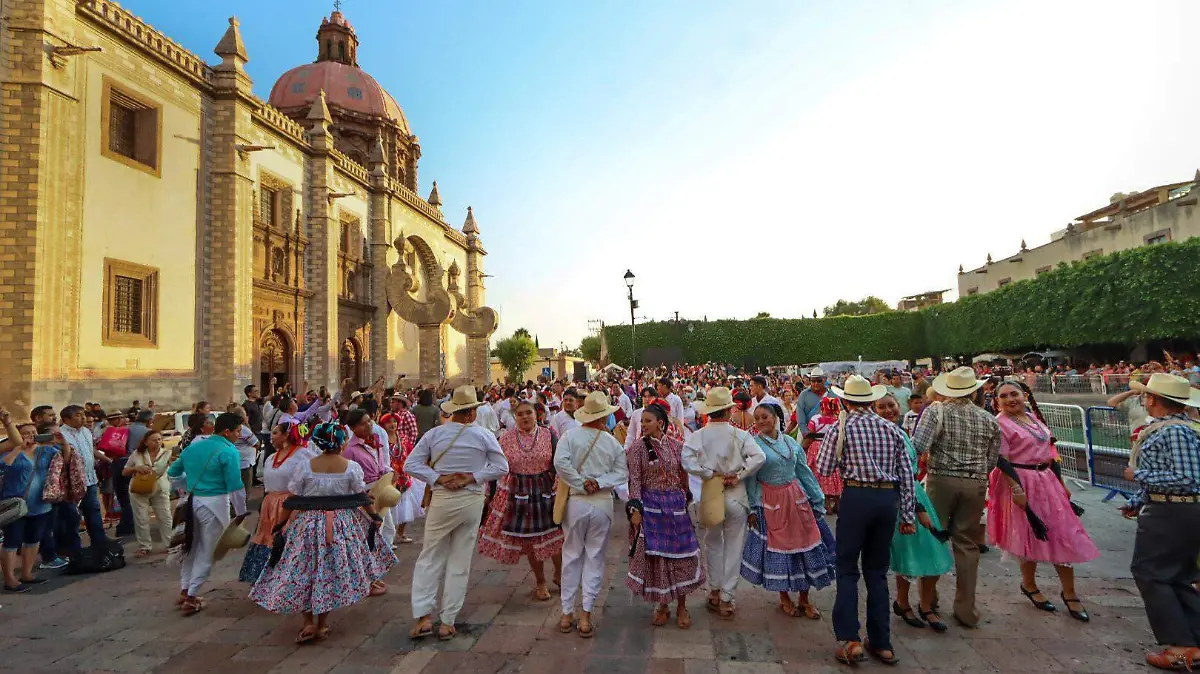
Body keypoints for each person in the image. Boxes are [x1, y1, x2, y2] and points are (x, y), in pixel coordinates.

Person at [249, 422, 395, 644]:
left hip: (307, 524)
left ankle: (308, 622)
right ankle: (322, 623)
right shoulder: (351, 467)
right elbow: (361, 497)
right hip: (341, 525)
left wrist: (279, 525)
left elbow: (293, 499)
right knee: (327, 572)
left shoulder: (306, 467)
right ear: (340, 442)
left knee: (303, 569)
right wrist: (374, 516)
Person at [816, 375, 916, 666]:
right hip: (886, 501)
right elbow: (907, 475)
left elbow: (823, 467)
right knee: (876, 571)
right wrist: (907, 515)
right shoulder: (892, 429)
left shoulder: (841, 428)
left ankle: (850, 639)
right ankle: (882, 642)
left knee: (847, 568)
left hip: (856, 497)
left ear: (845, 401)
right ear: (872, 400)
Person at [405, 386, 509, 641]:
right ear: (472, 412)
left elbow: (411, 464)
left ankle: (422, 616)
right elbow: (501, 466)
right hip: (471, 498)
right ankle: (447, 621)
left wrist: (438, 479)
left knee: (430, 556)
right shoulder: (483, 436)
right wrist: (472, 477)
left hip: (442, 499)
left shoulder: (435, 435)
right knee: (459, 560)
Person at [989, 381, 1098, 620]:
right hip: (1022, 481)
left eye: (1014, 394)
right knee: (1029, 536)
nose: (1010, 399)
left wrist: (1062, 483)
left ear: (1024, 395)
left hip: (1046, 481)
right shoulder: (1000, 424)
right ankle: (1029, 585)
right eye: (1004, 396)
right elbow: (1001, 459)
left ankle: (1069, 592)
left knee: (1063, 534)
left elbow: (1051, 453)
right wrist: (1017, 488)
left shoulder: (1033, 418)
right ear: (997, 401)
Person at [911, 366, 1002, 629]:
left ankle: (930, 599)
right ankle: (965, 609)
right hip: (975, 482)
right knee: (967, 545)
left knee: (933, 538)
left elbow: (918, 447)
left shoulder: (935, 411)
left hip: (941, 479)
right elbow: (992, 460)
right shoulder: (988, 418)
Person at [1121, 374, 1200, 670]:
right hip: (1174, 510)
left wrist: (1137, 476)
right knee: (1176, 576)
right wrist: (1137, 501)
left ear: (1152, 399)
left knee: (1151, 573)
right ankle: (1192, 645)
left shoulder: (1173, 432)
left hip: (1171, 513)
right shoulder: (1176, 429)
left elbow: (1188, 479)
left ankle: (1179, 647)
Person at [741, 403, 835, 620]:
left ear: (775, 418)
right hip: (771, 501)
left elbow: (803, 471)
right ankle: (784, 596)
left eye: (765, 416)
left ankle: (805, 598)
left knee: (806, 547)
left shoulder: (791, 443)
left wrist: (817, 497)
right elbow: (751, 480)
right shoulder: (754, 446)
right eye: (757, 418)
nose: (761, 421)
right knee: (778, 549)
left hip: (796, 498)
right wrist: (754, 507)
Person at [681, 387, 766, 620]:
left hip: (711, 493)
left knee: (713, 542)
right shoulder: (740, 435)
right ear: (728, 410)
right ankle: (727, 597)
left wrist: (708, 473)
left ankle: (715, 590)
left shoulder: (699, 435)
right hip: (735, 494)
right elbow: (759, 457)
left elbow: (686, 459)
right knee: (734, 546)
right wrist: (739, 475)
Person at [873, 394, 953, 632]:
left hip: (917, 494)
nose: (888, 410)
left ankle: (925, 605)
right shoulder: (881, 438)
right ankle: (905, 603)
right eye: (882, 407)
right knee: (907, 554)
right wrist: (916, 509)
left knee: (932, 550)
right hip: (902, 500)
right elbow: (897, 476)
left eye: (891, 405)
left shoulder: (903, 434)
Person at [554, 392, 627, 638]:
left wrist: (580, 482)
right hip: (602, 503)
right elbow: (621, 474)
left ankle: (566, 613)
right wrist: (598, 482)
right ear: (604, 416)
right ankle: (585, 614)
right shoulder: (612, 442)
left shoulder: (569, 436)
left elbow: (560, 463)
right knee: (595, 557)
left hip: (576, 502)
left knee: (571, 555)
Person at [625, 400, 703, 628]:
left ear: (661, 423)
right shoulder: (637, 449)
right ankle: (662, 605)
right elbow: (635, 480)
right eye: (642, 421)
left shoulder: (678, 446)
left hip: (676, 507)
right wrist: (635, 508)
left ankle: (681, 606)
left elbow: (685, 475)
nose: (644, 425)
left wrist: (687, 496)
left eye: (648, 421)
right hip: (650, 508)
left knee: (681, 556)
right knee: (659, 559)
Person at [477, 400, 564, 600]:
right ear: (515, 417)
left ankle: (559, 573)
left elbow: (559, 462)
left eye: (528, 413)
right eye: (520, 414)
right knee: (531, 541)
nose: (525, 417)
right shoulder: (505, 439)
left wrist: (559, 487)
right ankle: (540, 581)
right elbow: (496, 466)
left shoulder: (548, 434)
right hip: (518, 492)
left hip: (545, 488)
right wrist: (490, 495)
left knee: (555, 535)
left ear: (537, 415)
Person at [167, 412, 248, 615]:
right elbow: (235, 486)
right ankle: (192, 595)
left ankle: (186, 589)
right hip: (215, 501)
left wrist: (191, 483)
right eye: (238, 431)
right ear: (227, 431)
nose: (240, 434)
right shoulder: (229, 451)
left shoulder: (194, 447)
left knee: (191, 546)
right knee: (208, 549)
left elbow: (173, 473)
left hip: (191, 500)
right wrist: (241, 512)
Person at [0, 418, 60, 592]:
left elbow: (64, 459)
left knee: (33, 539)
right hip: (15, 504)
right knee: (12, 541)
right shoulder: (10, 451)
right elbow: (2, 467)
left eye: (34, 433)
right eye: (26, 433)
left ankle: (27, 574)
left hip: (40, 504)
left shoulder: (46, 450)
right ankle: (10, 579)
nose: (31, 436)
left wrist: (61, 443)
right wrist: (17, 448)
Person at [58, 405, 109, 549]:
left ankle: (99, 543)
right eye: (78, 415)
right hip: (72, 483)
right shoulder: (60, 435)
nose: (83, 418)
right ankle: (74, 549)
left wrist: (107, 460)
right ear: (66, 419)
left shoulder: (86, 431)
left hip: (90, 479)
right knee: (73, 517)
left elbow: (91, 450)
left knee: (93, 511)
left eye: (83, 415)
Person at [123, 430, 174, 557]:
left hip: (160, 488)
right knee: (141, 518)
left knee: (165, 516)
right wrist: (136, 468)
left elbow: (174, 470)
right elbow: (124, 471)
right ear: (146, 442)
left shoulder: (167, 454)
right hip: (139, 489)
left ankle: (170, 544)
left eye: (159, 439)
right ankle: (145, 546)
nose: (157, 442)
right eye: (153, 440)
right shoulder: (137, 454)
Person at [803, 397, 843, 514]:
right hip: (833, 446)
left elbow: (810, 435)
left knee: (820, 474)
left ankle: (826, 503)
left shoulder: (816, 419)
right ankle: (837, 502)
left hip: (817, 446)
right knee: (834, 474)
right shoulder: (838, 420)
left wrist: (803, 447)